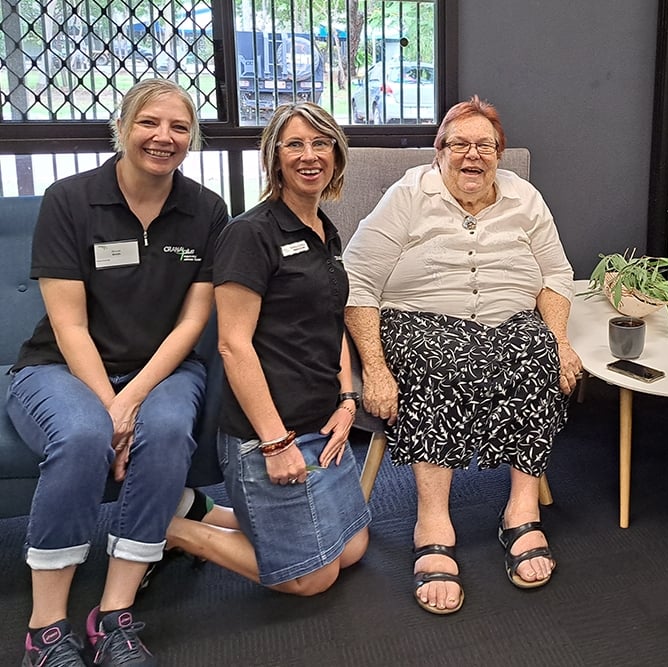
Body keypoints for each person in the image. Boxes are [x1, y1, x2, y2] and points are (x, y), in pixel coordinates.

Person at [6, 79, 229, 666]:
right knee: (83, 437)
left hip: (165, 366)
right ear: (123, 127)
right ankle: (46, 630)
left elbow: (192, 321)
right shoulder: (70, 199)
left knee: (165, 434)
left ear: (193, 138)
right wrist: (112, 408)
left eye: (180, 128)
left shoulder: (206, 209)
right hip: (62, 366)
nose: (164, 137)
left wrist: (135, 400)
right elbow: (69, 326)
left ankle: (113, 617)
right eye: (149, 123)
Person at [342, 95, 582, 614]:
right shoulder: (409, 195)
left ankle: (519, 513)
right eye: (460, 145)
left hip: (506, 320)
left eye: (485, 146)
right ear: (439, 151)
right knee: (442, 359)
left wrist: (561, 340)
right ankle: (432, 519)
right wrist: (376, 368)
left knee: (536, 348)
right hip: (420, 321)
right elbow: (357, 279)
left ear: (499, 152)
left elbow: (557, 276)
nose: (472, 156)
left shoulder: (525, 198)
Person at [163, 101, 371, 597]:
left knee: (354, 549)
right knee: (312, 578)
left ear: (337, 157)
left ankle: (209, 512)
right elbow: (233, 346)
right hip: (268, 433)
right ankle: (167, 528)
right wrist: (276, 443)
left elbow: (331, 322)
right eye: (294, 144)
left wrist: (347, 400)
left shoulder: (325, 229)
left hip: (324, 424)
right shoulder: (248, 234)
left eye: (321, 144)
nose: (309, 155)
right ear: (274, 157)